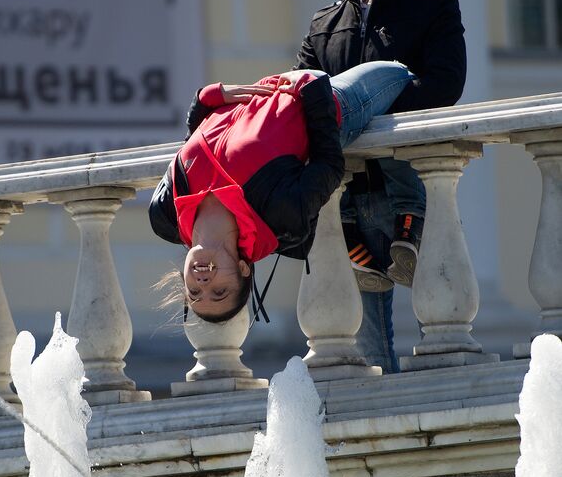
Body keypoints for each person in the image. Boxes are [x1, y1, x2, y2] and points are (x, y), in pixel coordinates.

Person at [294, 0, 466, 370]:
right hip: (345, 200)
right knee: (368, 352)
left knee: (446, 334)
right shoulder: (323, 25)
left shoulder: (433, 5)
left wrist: (366, 110)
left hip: (414, 187)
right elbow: (302, 101)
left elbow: (444, 85)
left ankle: (441, 420)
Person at [149, 60, 414, 323]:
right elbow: (329, 166)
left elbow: (188, 149)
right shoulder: (280, 217)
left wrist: (207, 99)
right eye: (220, 292)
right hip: (328, 99)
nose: (204, 284)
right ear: (243, 269)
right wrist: (311, 90)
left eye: (194, 293)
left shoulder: (165, 213)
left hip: (273, 85)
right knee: (405, 72)